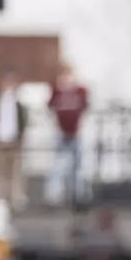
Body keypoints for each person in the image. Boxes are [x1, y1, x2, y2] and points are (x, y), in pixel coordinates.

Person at [47, 63, 90, 206]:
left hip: (76, 133)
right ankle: (54, 196)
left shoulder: (80, 90)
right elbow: (50, 106)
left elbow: (85, 107)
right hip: (61, 132)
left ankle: (79, 195)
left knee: (78, 167)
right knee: (58, 166)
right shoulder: (56, 90)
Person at [0, 71, 25, 207]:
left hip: (14, 140)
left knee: (15, 171)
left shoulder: (18, 103)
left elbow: (22, 121)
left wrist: (20, 135)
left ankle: (15, 198)